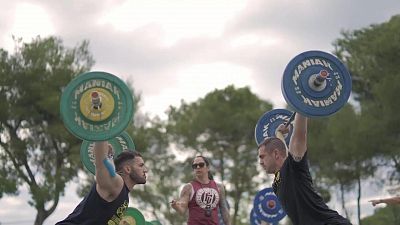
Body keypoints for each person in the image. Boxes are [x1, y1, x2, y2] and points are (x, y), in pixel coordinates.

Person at [258, 113, 352, 225]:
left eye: (262, 157)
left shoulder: (294, 168)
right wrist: (279, 134)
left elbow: (299, 136)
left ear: (275, 154)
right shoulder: (277, 182)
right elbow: (284, 152)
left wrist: (301, 106)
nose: (260, 162)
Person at [56, 141, 148, 225]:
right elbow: (102, 163)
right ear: (128, 169)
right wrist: (102, 133)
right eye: (141, 166)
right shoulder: (116, 184)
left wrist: (110, 156)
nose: (146, 170)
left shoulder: (124, 196)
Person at [170, 155, 231, 225]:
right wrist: (175, 206)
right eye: (195, 166)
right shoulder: (188, 187)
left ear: (208, 168)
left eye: (201, 165)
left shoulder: (219, 187)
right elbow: (182, 210)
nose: (198, 167)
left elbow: (224, 210)